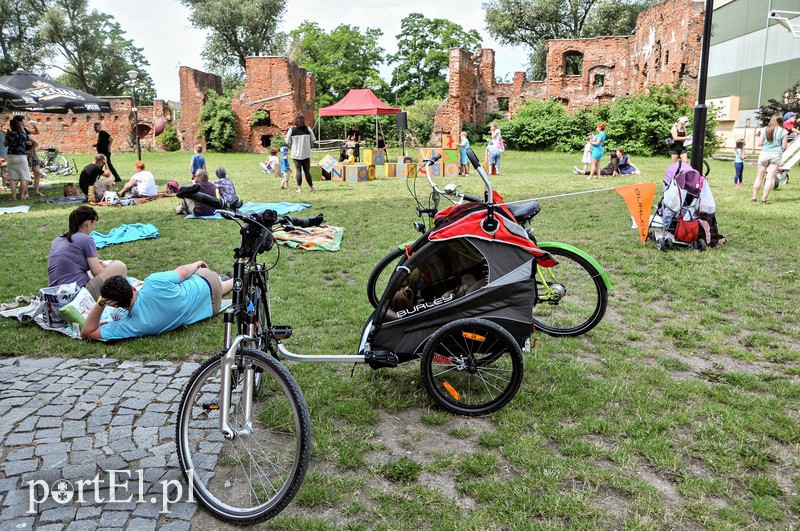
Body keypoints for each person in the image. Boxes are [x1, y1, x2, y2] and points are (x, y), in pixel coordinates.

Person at [80, 261, 234, 341]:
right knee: (212, 282)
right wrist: (198, 263)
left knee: (217, 288)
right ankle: (233, 280)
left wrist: (101, 302)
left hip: (211, 307)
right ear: (133, 288)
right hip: (205, 281)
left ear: (113, 304)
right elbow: (184, 272)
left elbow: (87, 332)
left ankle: (231, 280)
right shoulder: (153, 282)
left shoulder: (133, 326)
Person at [47, 206, 128, 300]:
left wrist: (97, 264)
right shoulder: (86, 239)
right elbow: (96, 272)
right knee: (119, 266)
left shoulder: (59, 238)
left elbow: (72, 263)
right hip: (76, 296)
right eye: (94, 224)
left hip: (56, 294)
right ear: (88, 223)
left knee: (104, 266)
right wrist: (107, 269)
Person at [752, 114, 788, 204]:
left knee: (759, 177)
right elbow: (784, 146)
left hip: (764, 154)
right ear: (781, 121)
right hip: (776, 155)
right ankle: (764, 199)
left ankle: (754, 198)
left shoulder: (765, 129)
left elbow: (760, 143)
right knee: (769, 178)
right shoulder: (784, 131)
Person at [285, 113, 317, 192]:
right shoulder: (308, 129)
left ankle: (299, 188)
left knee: (298, 170)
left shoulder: (291, 130)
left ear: (295, 120)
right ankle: (311, 187)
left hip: (296, 154)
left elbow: (287, 141)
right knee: (307, 171)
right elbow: (313, 139)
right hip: (306, 153)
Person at [4, 116, 31, 200]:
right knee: (23, 177)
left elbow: (5, 144)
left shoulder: (9, 134)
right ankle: (22, 196)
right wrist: (29, 150)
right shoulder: (23, 135)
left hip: (11, 156)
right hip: (21, 156)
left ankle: (13, 196)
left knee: (12, 178)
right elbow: (32, 142)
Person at [18, 117, 44, 197]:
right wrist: (26, 142)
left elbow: (36, 132)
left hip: (32, 153)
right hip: (24, 154)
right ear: (19, 122)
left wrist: (34, 125)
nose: (24, 121)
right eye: (23, 120)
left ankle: (37, 191)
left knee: (37, 172)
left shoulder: (26, 129)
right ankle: (26, 193)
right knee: (26, 174)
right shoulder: (15, 132)